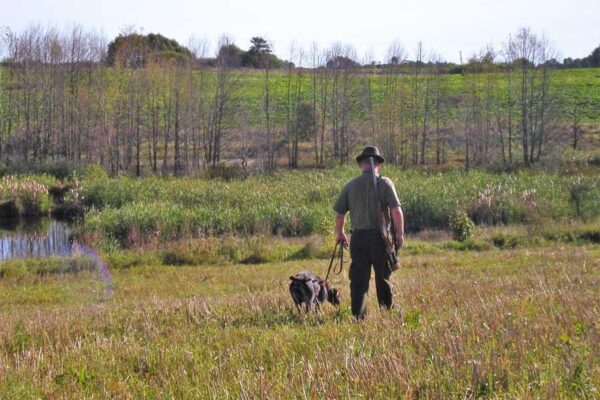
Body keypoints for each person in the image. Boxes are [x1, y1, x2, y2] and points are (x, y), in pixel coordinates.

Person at [333, 146, 404, 319]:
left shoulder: (350, 186)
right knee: (383, 277)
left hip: (358, 239)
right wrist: (399, 234)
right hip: (380, 239)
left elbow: (339, 214)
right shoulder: (385, 183)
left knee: (358, 281)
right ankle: (387, 313)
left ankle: (358, 316)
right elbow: (396, 211)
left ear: (361, 164)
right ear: (378, 163)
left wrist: (340, 233)